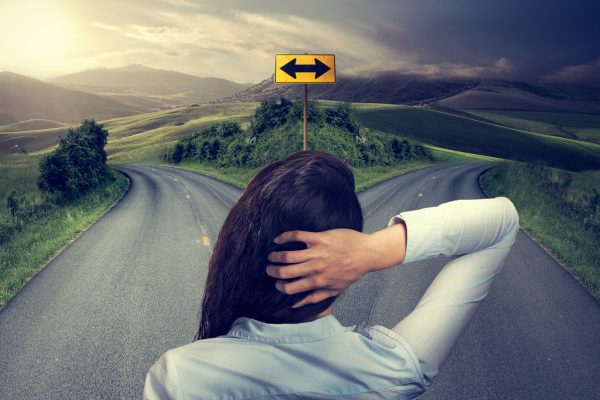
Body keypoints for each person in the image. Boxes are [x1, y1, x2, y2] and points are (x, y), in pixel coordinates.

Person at [143, 150, 519, 400]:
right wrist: (373, 249)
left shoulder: (180, 376)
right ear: (342, 266)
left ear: (242, 249)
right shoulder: (395, 369)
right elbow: (501, 223)